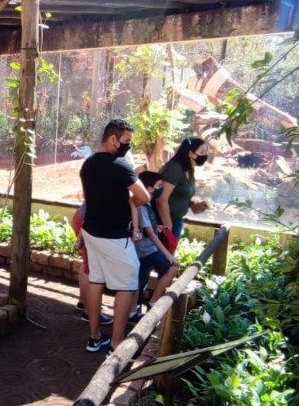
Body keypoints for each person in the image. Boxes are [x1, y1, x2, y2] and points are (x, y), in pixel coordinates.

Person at [78, 119, 150, 353]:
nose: (128, 145)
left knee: (96, 280)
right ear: (113, 139)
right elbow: (145, 197)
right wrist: (131, 201)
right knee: (127, 284)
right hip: (115, 236)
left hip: (91, 231)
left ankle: (94, 337)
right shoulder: (121, 165)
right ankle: (116, 344)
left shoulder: (88, 164)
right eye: (126, 141)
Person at [134, 171, 181, 316]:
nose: (161, 189)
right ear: (149, 188)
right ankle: (153, 303)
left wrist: (157, 227)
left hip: (146, 248)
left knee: (141, 278)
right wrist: (167, 254)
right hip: (146, 249)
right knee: (172, 268)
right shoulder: (142, 206)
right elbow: (149, 233)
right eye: (159, 186)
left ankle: (135, 308)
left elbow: (148, 228)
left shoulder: (146, 204)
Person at [156, 137, 210, 244]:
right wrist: (168, 226)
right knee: (165, 252)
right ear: (190, 153)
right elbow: (161, 199)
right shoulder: (175, 169)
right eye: (202, 152)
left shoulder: (189, 169)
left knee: (169, 252)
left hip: (176, 220)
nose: (205, 155)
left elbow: (178, 193)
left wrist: (191, 204)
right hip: (163, 222)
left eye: (206, 152)